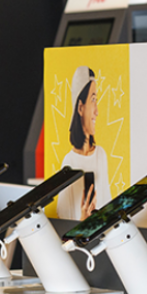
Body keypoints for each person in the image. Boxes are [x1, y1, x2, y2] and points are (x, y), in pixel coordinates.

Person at [56, 66, 112, 220]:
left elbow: (108, 204)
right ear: (80, 108)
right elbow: (63, 216)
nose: (97, 111)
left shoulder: (101, 155)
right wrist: (83, 219)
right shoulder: (69, 162)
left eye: (96, 100)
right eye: (93, 100)